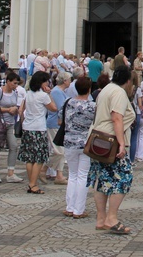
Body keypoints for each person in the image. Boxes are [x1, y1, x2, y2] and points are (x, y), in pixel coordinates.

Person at [87, 65, 136, 235]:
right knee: (124, 176)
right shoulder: (119, 93)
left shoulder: (106, 89)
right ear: (128, 81)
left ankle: (101, 219)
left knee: (101, 179)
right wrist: (121, 143)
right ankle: (111, 218)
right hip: (110, 141)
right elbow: (116, 118)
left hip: (98, 140)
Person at [17, 71, 58, 194]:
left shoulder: (28, 94)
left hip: (27, 127)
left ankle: (32, 182)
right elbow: (54, 108)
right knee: (39, 158)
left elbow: (21, 110)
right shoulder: (43, 95)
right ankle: (33, 184)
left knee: (29, 158)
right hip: (39, 128)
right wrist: (49, 94)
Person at [61, 76, 97, 219]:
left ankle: (70, 207)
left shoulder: (67, 102)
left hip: (69, 141)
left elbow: (60, 120)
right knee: (83, 176)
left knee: (72, 175)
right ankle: (79, 210)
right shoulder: (93, 106)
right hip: (86, 142)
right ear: (89, 89)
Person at [0, 73, 24, 183]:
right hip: (0, 123)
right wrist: (7, 110)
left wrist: (16, 111)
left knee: (13, 146)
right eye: (14, 83)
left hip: (10, 123)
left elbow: (15, 106)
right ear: (8, 81)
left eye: (17, 84)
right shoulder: (0, 91)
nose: (15, 85)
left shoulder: (15, 93)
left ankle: (10, 173)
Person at [43, 72, 69, 184]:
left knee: (62, 150)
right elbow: (60, 108)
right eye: (69, 79)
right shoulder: (57, 92)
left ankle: (59, 174)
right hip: (55, 123)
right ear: (65, 81)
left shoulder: (60, 91)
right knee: (58, 151)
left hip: (60, 124)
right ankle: (44, 168)